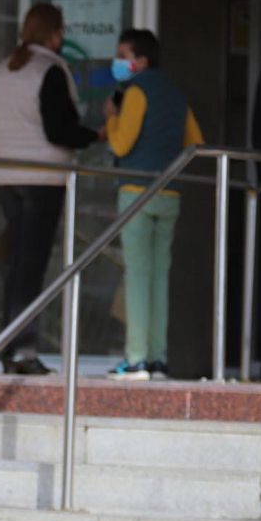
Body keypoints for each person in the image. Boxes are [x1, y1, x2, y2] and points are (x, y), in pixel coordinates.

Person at [0, 3, 101, 376]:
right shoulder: (49, 70)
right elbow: (60, 130)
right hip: (43, 178)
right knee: (30, 268)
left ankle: (9, 348)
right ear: (55, 32)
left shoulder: (3, 69)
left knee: (18, 264)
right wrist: (95, 135)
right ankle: (23, 351)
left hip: (7, 178)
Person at [103, 28, 203, 381]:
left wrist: (111, 118)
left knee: (138, 276)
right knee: (159, 277)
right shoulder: (176, 94)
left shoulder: (136, 92)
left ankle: (136, 360)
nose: (118, 61)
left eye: (122, 54)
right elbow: (196, 141)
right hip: (170, 193)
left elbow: (121, 144)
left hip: (137, 192)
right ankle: (158, 359)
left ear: (140, 61)